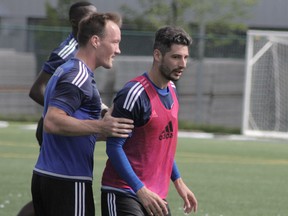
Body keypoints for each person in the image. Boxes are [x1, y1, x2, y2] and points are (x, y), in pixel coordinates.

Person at [31, 12, 133, 216]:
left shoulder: (70, 70)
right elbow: (52, 122)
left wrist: (113, 130)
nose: (118, 50)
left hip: (50, 178)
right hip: (67, 181)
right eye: (114, 42)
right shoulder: (77, 75)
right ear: (95, 41)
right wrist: (100, 126)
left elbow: (75, 126)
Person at [101, 26, 198, 216]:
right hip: (123, 192)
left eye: (185, 57)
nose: (183, 64)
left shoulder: (171, 90)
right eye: (176, 57)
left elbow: (163, 146)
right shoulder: (134, 94)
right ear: (158, 55)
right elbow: (114, 147)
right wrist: (140, 189)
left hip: (155, 195)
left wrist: (178, 182)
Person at [29, 1, 101, 146]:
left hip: (70, 124)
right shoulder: (66, 53)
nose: (95, 21)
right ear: (75, 22)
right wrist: (62, 112)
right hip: (55, 129)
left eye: (96, 16)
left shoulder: (88, 48)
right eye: (89, 17)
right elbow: (36, 90)